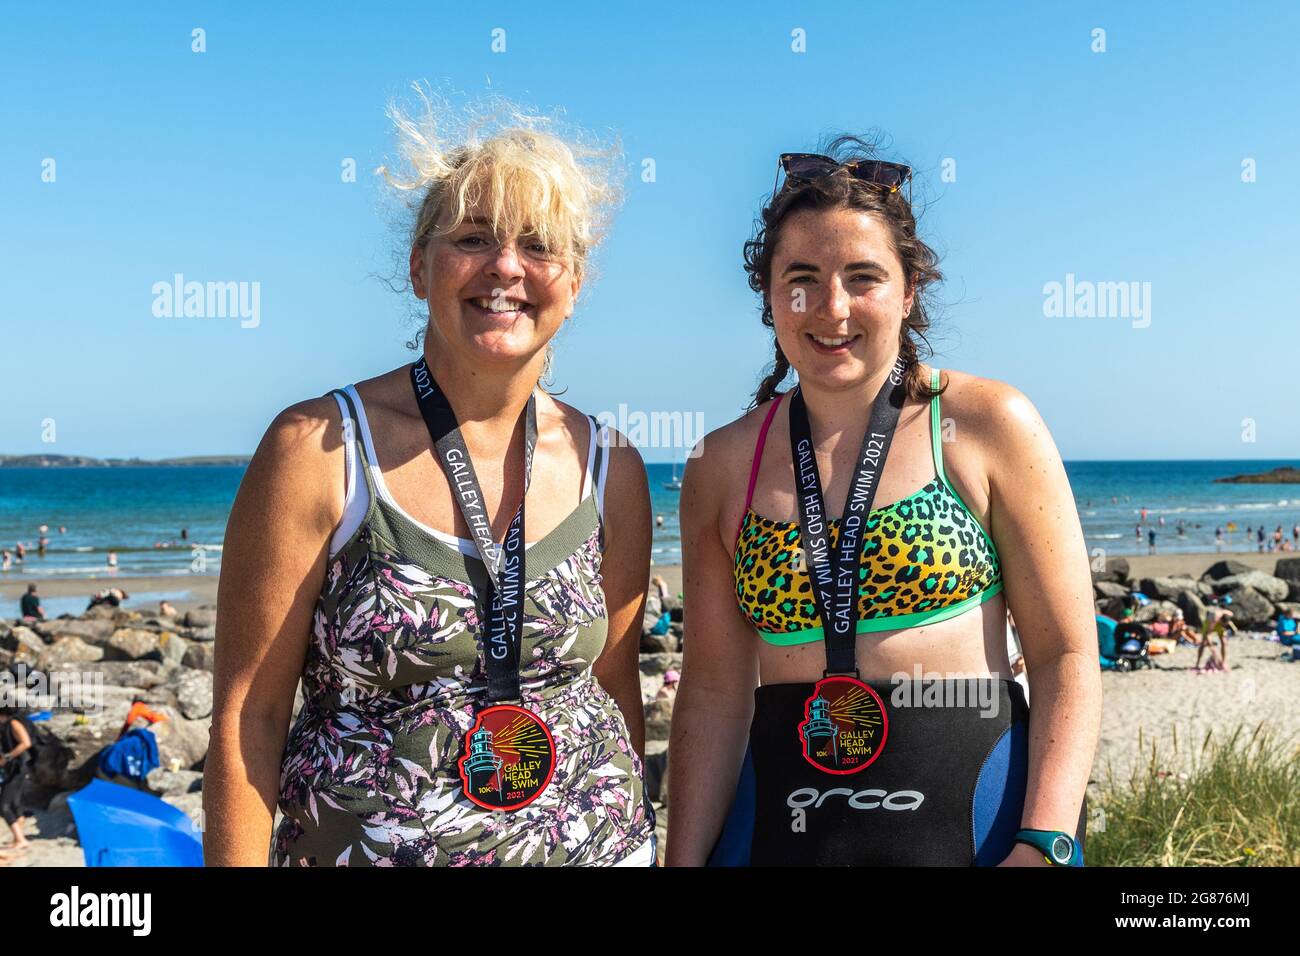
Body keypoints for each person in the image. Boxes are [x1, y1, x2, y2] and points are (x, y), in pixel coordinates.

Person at [206, 95, 655, 867]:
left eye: (538, 246)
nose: (506, 268)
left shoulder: (611, 466)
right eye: (474, 238)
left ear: (573, 284)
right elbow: (250, 716)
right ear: (420, 266)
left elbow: (613, 687)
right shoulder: (317, 449)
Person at [668, 140, 1099, 867]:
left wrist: (1047, 841)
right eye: (801, 279)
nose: (831, 308)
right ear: (770, 296)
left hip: (978, 824)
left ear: (907, 292)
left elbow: (1065, 654)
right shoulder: (721, 464)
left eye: (862, 277)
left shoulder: (988, 423)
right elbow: (712, 691)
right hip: (780, 824)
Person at [0, 708, 34, 864]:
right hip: (14, 769)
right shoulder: (5, 724)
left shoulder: (13, 723)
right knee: (14, 803)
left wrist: (7, 757)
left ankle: (21, 840)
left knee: (4, 806)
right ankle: (18, 840)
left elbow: (26, 743)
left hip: (18, 768)